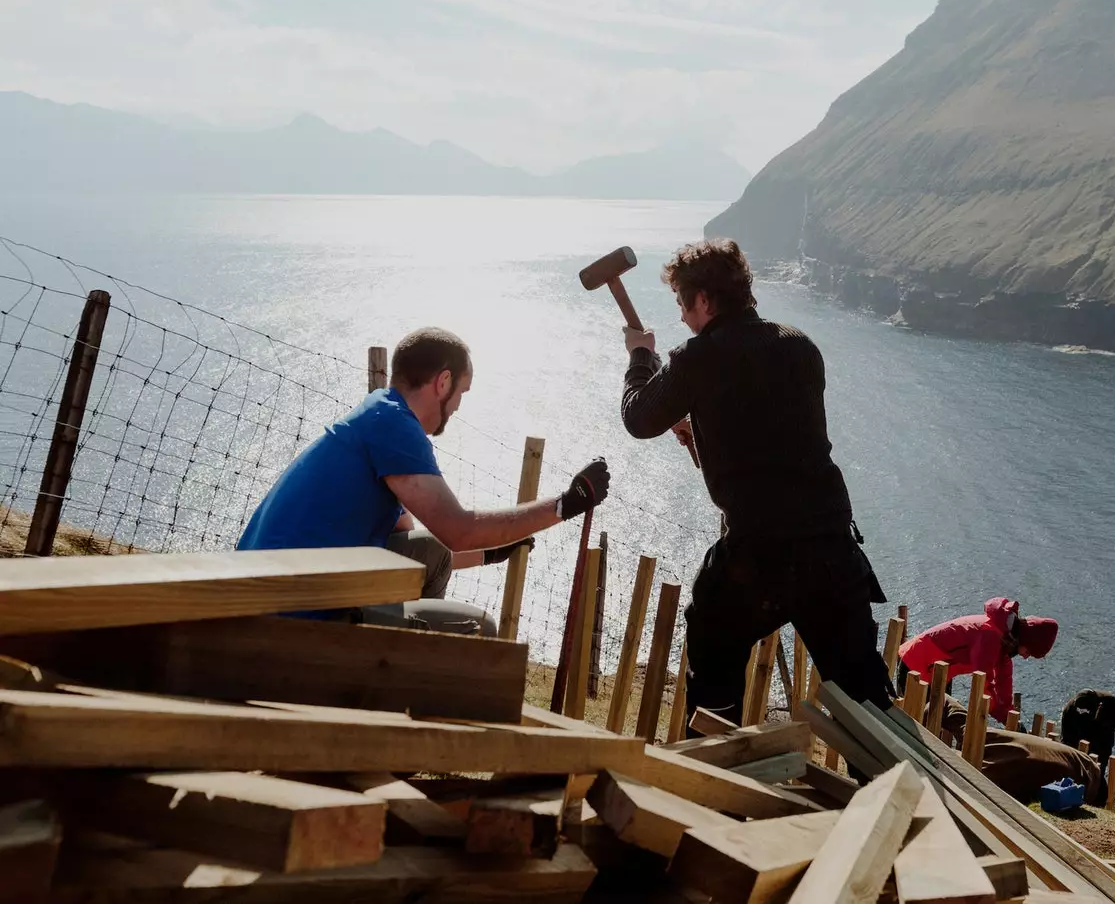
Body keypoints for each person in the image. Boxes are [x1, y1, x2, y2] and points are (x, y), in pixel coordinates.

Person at [618, 239, 894, 726]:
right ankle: (898, 795)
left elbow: (640, 417)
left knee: (713, 649)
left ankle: (718, 774)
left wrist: (641, 358)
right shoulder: (800, 346)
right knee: (865, 699)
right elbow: (764, 430)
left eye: (683, 303)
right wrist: (697, 422)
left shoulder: (695, 359)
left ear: (703, 300)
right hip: (831, 548)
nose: (682, 315)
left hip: (757, 557)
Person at [239, 327, 609, 633]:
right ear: (443, 382)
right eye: (462, 392)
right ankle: (405, 700)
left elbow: (422, 546)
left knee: (429, 552)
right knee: (479, 629)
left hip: (269, 594)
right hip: (291, 617)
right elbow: (459, 530)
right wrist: (568, 503)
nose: (460, 405)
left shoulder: (380, 412)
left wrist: (491, 552)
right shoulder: (395, 428)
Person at [897, 597, 1058, 724]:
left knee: (936, 725)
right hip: (916, 665)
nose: (1025, 656)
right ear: (1024, 639)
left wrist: (1010, 719)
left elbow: (1004, 684)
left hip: (939, 673)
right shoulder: (990, 637)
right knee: (916, 728)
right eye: (1028, 651)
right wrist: (999, 713)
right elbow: (982, 685)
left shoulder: (1004, 643)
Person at [1059, 689, 1115, 782]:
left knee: (1097, 784)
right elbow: (1065, 739)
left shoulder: (1113, 705)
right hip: (1077, 751)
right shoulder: (1070, 708)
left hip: (1101, 750)